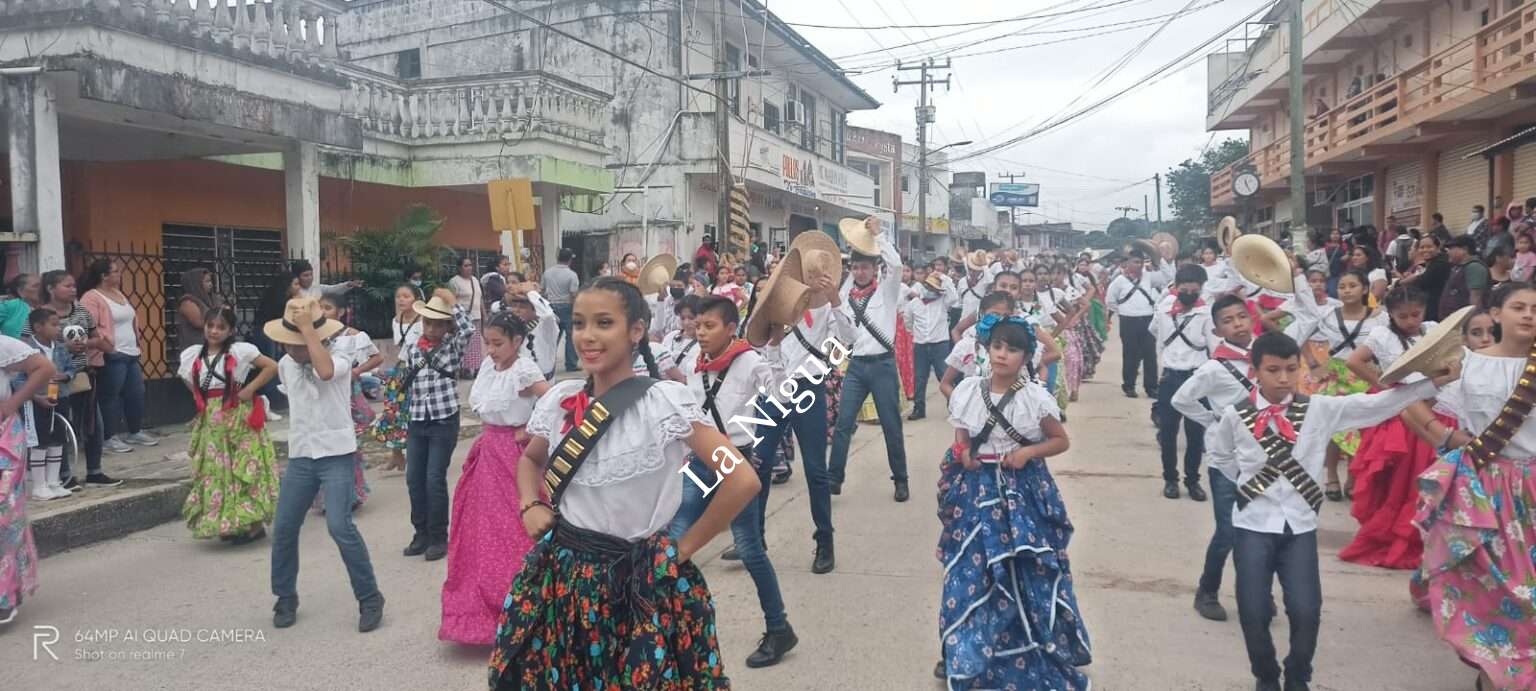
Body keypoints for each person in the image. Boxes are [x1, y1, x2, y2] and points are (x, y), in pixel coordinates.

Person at [488, 277, 755, 689]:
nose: (587, 336)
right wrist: (530, 502)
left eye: (604, 323)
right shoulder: (560, 398)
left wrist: (682, 549)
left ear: (636, 331)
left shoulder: (666, 402)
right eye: (578, 324)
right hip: (565, 578)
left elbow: (741, 479)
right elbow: (531, 460)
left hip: (642, 582)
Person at [1206, 331, 1454, 691]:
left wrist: (1428, 384)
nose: (1283, 378)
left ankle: (1297, 674)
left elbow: (1377, 405)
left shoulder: (1320, 409)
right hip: (1252, 524)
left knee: (1306, 610)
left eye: (1291, 369)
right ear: (1255, 371)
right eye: (1273, 370)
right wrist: (1251, 487)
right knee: (1253, 610)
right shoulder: (1235, 414)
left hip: (1300, 528)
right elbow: (1221, 456)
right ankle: (1266, 676)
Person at [935, 316, 1091, 687]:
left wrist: (1028, 453)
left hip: (1023, 492)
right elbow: (962, 435)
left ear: (1026, 356)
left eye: (1013, 349)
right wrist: (963, 452)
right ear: (987, 349)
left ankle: (1032, 646)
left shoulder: (1035, 396)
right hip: (976, 491)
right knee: (969, 574)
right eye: (998, 347)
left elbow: (1060, 440)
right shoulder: (968, 390)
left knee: (1026, 571)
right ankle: (964, 652)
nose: (1003, 355)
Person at [1412, 282, 1536, 691]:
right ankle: (1492, 671)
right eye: (1518, 306)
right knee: (1487, 584)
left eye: (1535, 308)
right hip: (1482, 489)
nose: (1528, 314)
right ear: (1495, 314)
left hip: (1533, 488)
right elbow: (1406, 397)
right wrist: (1442, 438)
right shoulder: (1468, 363)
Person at [671, 296, 798, 667]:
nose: (701, 333)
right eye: (698, 326)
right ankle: (666, 623)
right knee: (674, 538)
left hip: (735, 459)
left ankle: (779, 628)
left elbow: (781, 396)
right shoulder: (696, 364)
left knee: (749, 547)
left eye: (709, 327)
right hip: (701, 458)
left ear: (730, 329)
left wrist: (774, 350)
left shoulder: (749, 360)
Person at [265, 297, 384, 633]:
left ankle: (370, 597)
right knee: (285, 527)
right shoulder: (286, 365)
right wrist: (299, 337)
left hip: (336, 454)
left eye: (299, 343)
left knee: (340, 526)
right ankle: (285, 596)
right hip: (302, 455)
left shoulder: (340, 356)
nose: (292, 349)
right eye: (288, 343)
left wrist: (308, 332)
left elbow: (326, 371)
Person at [440, 313, 549, 646]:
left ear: (517, 341)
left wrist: (529, 428)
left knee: (516, 530)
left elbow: (555, 400)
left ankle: (529, 611)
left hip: (516, 457)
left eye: (498, 343)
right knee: (479, 532)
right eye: (488, 342)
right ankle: (483, 612)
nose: (491, 350)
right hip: (488, 453)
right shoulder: (490, 367)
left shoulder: (524, 370)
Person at [751, 271, 850, 575]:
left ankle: (824, 541)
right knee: (759, 465)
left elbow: (847, 342)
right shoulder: (766, 317)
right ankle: (754, 540)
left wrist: (835, 300)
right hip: (773, 393)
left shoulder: (821, 311)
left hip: (808, 390)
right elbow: (763, 363)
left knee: (816, 471)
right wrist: (774, 343)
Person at [1338, 286, 1440, 570]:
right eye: (1403, 316)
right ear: (1391, 314)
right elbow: (1354, 361)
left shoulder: (1432, 329)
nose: (1410, 320)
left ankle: (1421, 536)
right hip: (1397, 412)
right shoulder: (1381, 334)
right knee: (1396, 480)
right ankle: (1390, 534)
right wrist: (1385, 387)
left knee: (1423, 478)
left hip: (1433, 407)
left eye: (1415, 314)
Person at [177, 305, 279, 543]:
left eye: (221, 327)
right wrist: (201, 402)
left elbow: (271, 366)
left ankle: (251, 524)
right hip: (212, 421)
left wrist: (249, 390)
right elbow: (190, 382)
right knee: (216, 470)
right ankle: (228, 522)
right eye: (210, 326)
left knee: (243, 468)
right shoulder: (192, 354)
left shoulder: (240, 351)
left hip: (237, 417)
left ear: (231, 330)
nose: (214, 331)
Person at [828, 217, 910, 502]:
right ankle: (834, 479)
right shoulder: (843, 294)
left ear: (875, 269)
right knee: (843, 424)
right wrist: (854, 246)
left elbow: (896, 266)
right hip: (857, 366)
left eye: (865, 267)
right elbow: (848, 337)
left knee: (891, 425)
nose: (860, 272)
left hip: (883, 365)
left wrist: (879, 238)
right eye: (856, 267)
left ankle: (901, 480)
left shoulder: (887, 291)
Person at [399, 288, 472, 562]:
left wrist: (453, 304)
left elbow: (467, 331)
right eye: (427, 322)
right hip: (418, 419)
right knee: (413, 479)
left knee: (433, 479)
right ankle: (421, 533)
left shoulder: (453, 345)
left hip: (443, 419)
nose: (431, 328)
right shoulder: (412, 347)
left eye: (437, 323)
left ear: (446, 325)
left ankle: (439, 536)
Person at [0, 333, 54, 625]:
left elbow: (44, 367)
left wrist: (14, 402)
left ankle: (4, 595)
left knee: (4, 516)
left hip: (3, 438)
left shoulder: (2, 344)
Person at [1150, 264, 1215, 501]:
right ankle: (1170, 479)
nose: (1188, 294)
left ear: (1201, 290)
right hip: (1170, 376)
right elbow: (1154, 331)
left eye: (1194, 290)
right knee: (1168, 433)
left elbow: (1214, 347)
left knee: (1195, 434)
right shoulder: (1164, 308)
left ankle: (1193, 480)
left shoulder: (1207, 314)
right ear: (1175, 288)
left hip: (1197, 378)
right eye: (1184, 290)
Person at [79, 258, 157, 454]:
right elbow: (90, 325)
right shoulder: (92, 297)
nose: (119, 274)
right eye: (115, 271)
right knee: (110, 396)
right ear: (104, 276)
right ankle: (109, 436)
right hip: (111, 353)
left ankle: (135, 431)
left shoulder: (118, 293)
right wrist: (108, 345)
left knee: (136, 393)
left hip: (130, 351)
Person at [319, 295, 379, 512]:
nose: (323, 311)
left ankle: (351, 493)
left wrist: (357, 371)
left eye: (328, 307)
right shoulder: (315, 336)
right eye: (319, 308)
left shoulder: (352, 335)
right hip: (324, 395)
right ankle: (327, 497)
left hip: (347, 395)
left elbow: (376, 357)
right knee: (326, 446)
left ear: (341, 312)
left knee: (348, 445)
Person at [19, 308, 72, 501]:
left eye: (59, 324)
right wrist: (34, 396)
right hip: (36, 400)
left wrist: (65, 376)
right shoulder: (26, 350)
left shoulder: (60, 347)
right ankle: (39, 486)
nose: (58, 328)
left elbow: (70, 368)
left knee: (58, 438)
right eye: (53, 324)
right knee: (39, 441)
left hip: (59, 397)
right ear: (38, 327)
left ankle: (53, 482)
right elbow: (18, 379)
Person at [369, 284, 422, 472]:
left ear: (415, 299)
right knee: (392, 411)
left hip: (419, 370)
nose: (401, 300)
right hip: (401, 368)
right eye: (399, 296)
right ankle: (397, 455)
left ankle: (415, 456)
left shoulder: (423, 320)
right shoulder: (396, 320)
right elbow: (400, 347)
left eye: (406, 296)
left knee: (412, 414)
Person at [1106, 250, 1171, 398]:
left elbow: (1168, 278)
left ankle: (1152, 387)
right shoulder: (1119, 281)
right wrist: (1124, 311)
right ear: (1127, 263)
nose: (1139, 265)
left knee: (1150, 355)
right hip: (1128, 320)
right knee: (1130, 354)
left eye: (1141, 262)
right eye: (1135, 262)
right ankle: (1129, 385)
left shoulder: (1148, 277)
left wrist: (1159, 258)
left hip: (1147, 319)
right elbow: (1110, 301)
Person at [903, 267, 957, 422]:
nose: (931, 290)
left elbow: (953, 297)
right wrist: (917, 335)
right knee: (919, 378)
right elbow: (908, 322)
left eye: (934, 288)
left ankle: (953, 407)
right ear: (925, 286)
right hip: (920, 345)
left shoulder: (943, 302)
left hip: (939, 344)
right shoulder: (914, 304)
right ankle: (919, 409)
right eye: (929, 287)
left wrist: (944, 278)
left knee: (944, 376)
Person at [503, 283, 558, 381]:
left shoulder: (546, 328)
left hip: (543, 385)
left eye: (523, 307)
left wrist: (531, 293)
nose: (517, 310)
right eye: (514, 306)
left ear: (535, 310)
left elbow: (547, 315)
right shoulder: (512, 328)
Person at [541, 248, 580, 373]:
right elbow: (573, 294)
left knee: (553, 337)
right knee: (570, 336)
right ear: (570, 260)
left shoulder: (547, 273)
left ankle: (548, 363)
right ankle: (571, 364)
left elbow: (542, 290)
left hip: (551, 306)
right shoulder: (572, 275)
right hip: (567, 307)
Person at [1400, 234, 1452, 320]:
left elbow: (1422, 281)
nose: (1425, 250)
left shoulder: (1441, 263)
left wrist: (1403, 282)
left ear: (1437, 247)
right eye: (1422, 247)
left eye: (1429, 247)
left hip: (1438, 309)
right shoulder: (1431, 262)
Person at [448, 257, 485, 376]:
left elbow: (480, 299)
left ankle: (475, 367)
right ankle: (465, 369)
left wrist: (485, 315)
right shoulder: (454, 282)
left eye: (470, 265)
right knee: (464, 344)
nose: (469, 268)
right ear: (459, 268)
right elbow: (450, 301)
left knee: (475, 345)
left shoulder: (474, 280)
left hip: (476, 317)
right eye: (466, 265)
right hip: (462, 319)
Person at [1439, 235, 1488, 317]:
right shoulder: (1458, 268)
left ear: (1464, 249)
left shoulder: (1474, 267)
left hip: (1464, 323)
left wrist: (1474, 320)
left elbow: (1476, 298)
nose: (1448, 252)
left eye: (1451, 248)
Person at [175, 267, 222, 350]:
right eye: (207, 281)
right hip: (195, 349)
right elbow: (200, 323)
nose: (210, 284)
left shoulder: (211, 299)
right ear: (196, 283)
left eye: (210, 281)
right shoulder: (188, 302)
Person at [290, 259, 361, 300]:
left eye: (311, 274)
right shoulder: (293, 292)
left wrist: (348, 285)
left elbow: (333, 289)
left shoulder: (317, 288)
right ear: (297, 277)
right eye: (305, 275)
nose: (309, 278)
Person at [0, 274, 40, 338]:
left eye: (42, 286)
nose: (41, 289)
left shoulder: (49, 308)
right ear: (20, 291)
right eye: (36, 286)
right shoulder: (11, 306)